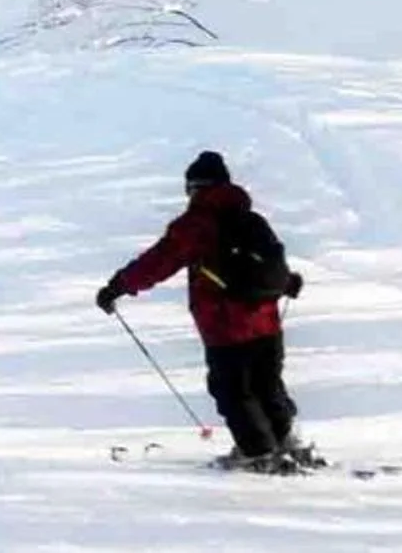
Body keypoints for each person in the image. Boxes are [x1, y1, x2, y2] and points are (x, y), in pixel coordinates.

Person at [96, 150, 306, 472]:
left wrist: (118, 286)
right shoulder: (251, 219)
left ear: (194, 188)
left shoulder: (196, 225)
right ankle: (286, 444)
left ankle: (259, 455)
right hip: (266, 323)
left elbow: (158, 262)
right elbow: (267, 265)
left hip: (226, 327)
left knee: (234, 392)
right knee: (268, 385)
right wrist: (287, 282)